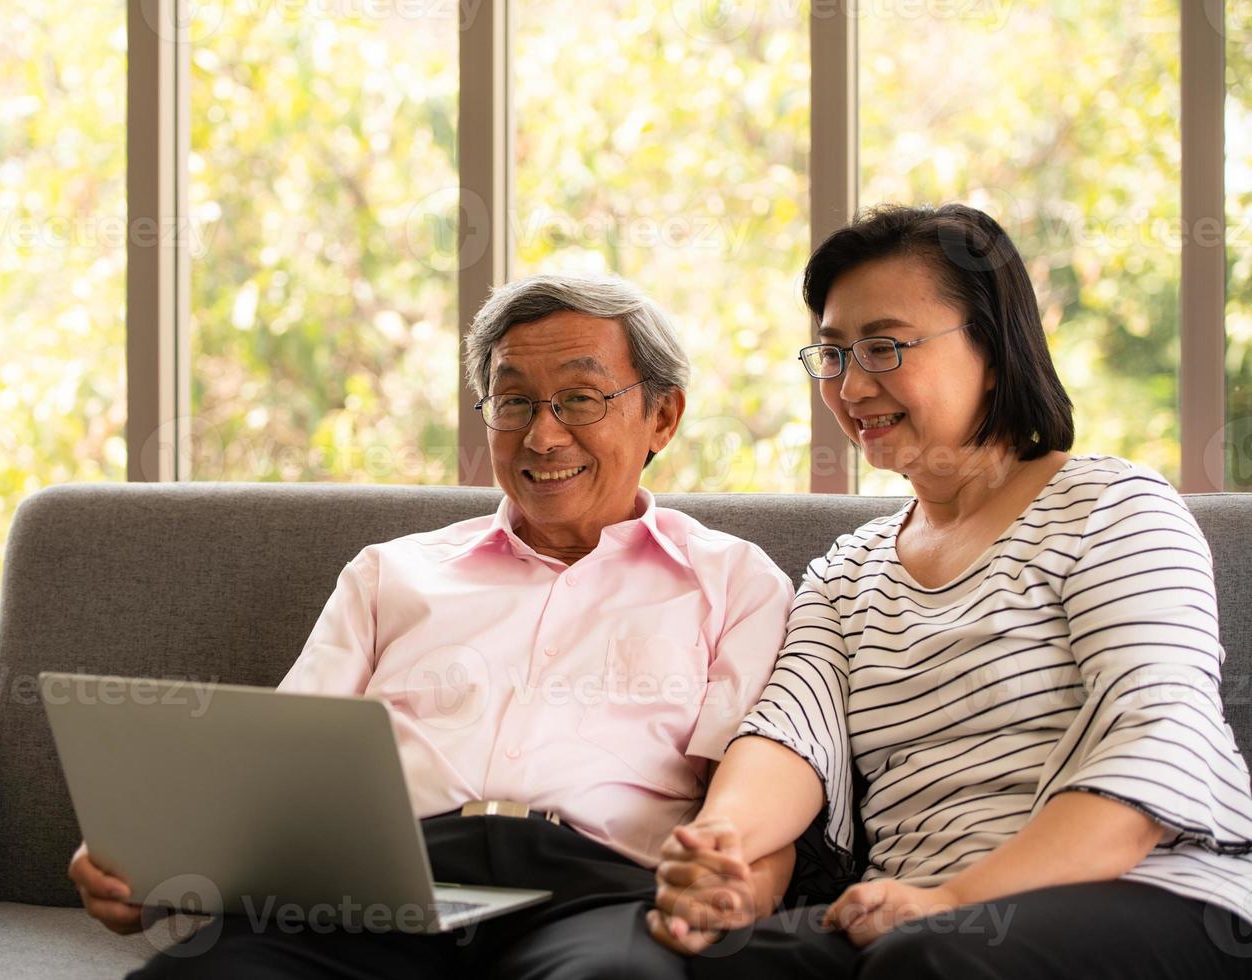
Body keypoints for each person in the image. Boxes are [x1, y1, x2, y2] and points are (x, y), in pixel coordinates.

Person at [67, 272, 797, 978]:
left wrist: (740, 891)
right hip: (372, 893)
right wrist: (141, 859)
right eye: (513, 403)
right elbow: (275, 772)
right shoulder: (392, 573)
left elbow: (760, 803)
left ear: (662, 418)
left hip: (600, 890)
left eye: (578, 399)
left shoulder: (735, 582)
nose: (542, 438)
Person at [648, 203, 1252, 978]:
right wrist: (722, 844)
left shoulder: (1115, 506)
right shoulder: (847, 570)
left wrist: (955, 898)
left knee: (930, 961)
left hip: (1153, 892)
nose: (852, 385)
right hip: (908, 914)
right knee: (712, 965)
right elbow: (789, 735)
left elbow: (1152, 749)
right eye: (832, 354)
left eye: (884, 347)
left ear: (993, 350)